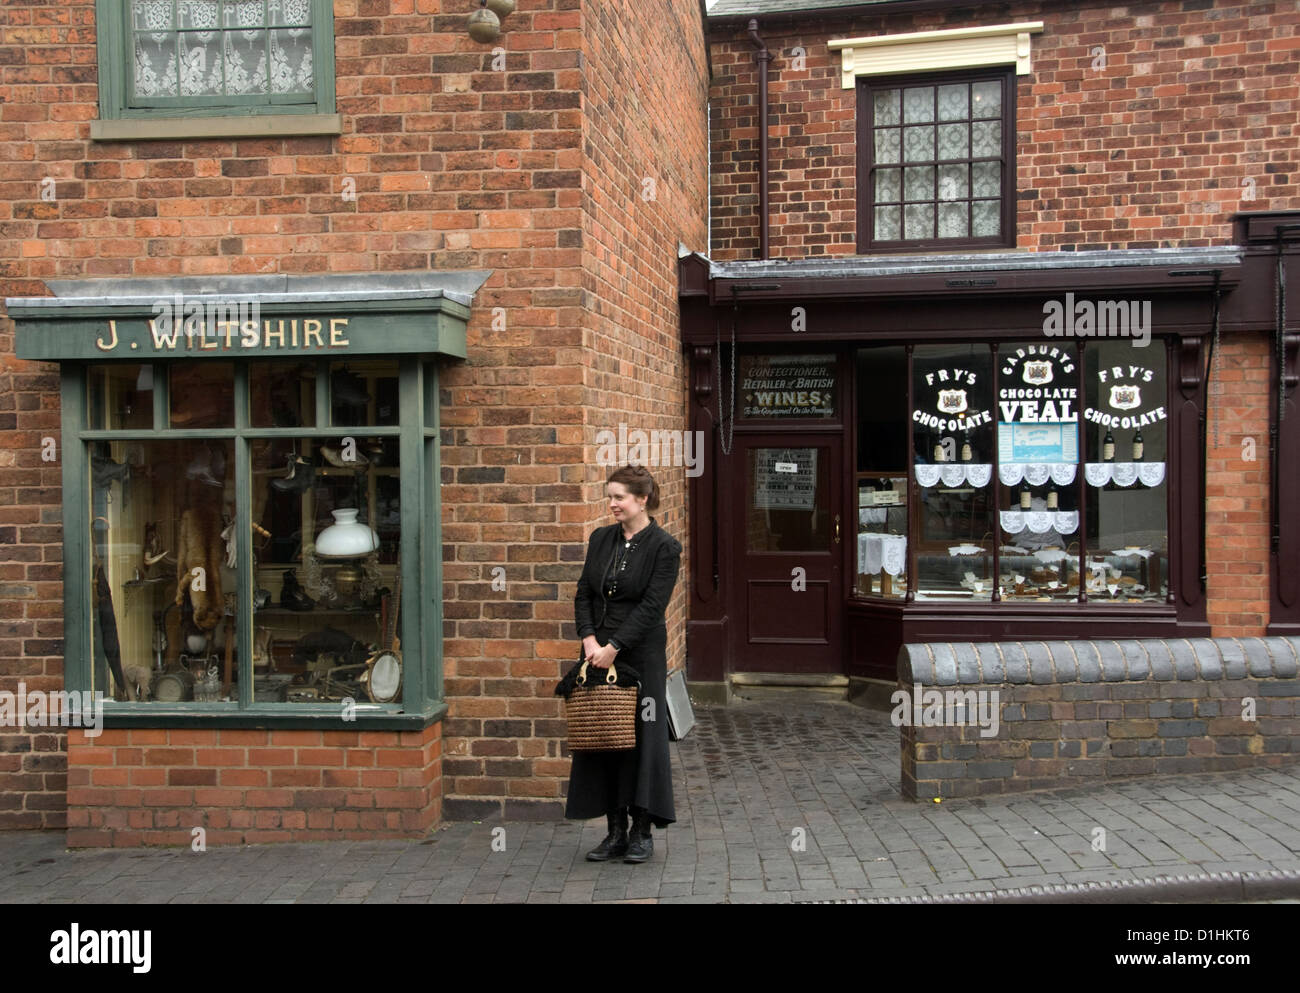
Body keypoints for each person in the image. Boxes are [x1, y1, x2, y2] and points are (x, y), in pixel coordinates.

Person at [565, 465, 682, 863]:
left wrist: (614, 646)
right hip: (596, 652)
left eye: (619, 497)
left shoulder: (665, 547)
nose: (612, 504)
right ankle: (613, 831)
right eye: (609, 496)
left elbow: (652, 607)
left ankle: (641, 831)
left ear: (642, 499)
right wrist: (589, 640)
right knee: (603, 736)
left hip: (640, 655)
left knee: (642, 740)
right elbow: (583, 594)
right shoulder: (600, 539)